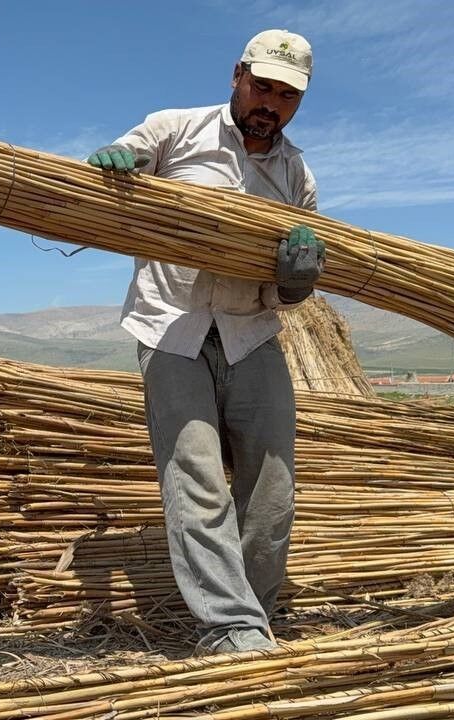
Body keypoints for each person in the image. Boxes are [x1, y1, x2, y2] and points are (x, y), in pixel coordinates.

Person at [86, 29, 325, 654]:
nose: (270, 104)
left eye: (287, 95)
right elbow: (120, 166)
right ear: (237, 76)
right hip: (173, 328)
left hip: (251, 334)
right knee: (195, 478)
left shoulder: (296, 176)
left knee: (273, 489)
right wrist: (112, 164)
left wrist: (295, 284)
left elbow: (284, 290)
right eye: (262, 87)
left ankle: (254, 614)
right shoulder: (175, 130)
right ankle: (229, 627)